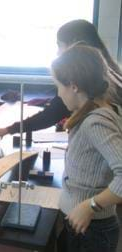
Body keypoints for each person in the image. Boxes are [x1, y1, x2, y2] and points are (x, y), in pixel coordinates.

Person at [0, 19, 122, 140]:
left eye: (60, 45)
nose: (58, 52)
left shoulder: (83, 87)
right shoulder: (110, 73)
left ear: (75, 45)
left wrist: (10, 129)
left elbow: (50, 115)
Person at [52, 45, 122, 252]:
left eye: (58, 86)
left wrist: (90, 206)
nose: (58, 93)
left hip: (93, 229)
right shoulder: (100, 110)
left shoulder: (96, 122)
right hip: (81, 224)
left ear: (74, 86)